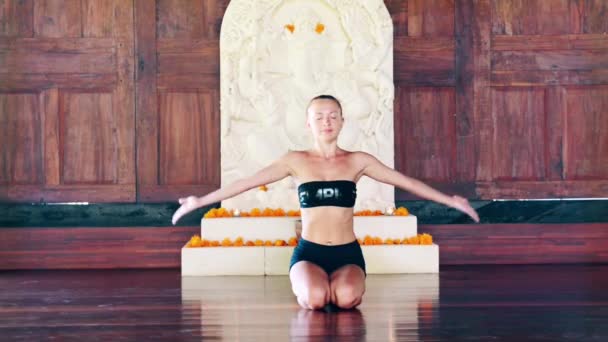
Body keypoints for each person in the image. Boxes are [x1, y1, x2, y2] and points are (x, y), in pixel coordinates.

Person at [172, 94, 480, 311]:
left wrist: (451, 200)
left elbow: (406, 182)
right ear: (308, 123)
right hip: (309, 251)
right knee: (316, 299)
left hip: (348, 252)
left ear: (343, 121)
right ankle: (316, 284)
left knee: (346, 299)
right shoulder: (296, 161)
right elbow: (245, 183)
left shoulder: (357, 160)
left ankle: (340, 284)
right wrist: (200, 201)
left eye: (333, 115)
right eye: (319, 117)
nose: (326, 121)